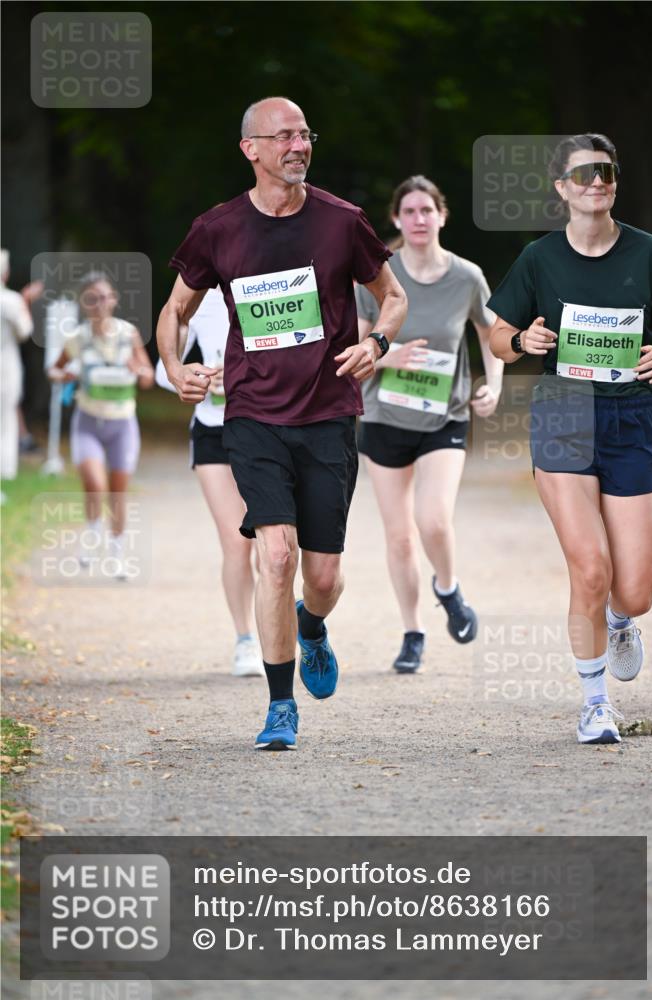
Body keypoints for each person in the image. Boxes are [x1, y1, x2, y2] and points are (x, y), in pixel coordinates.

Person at [157, 96, 407, 751]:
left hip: (327, 416)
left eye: (305, 134)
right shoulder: (216, 229)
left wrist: (377, 344)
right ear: (252, 149)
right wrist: (172, 364)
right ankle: (278, 705)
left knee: (321, 578)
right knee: (275, 555)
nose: (299, 146)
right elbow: (175, 311)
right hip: (252, 416)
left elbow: (393, 296)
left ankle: (313, 625)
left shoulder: (341, 221)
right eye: (284, 136)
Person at [488, 133, 652, 746]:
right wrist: (521, 345)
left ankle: (620, 622)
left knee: (637, 589)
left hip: (634, 417)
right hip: (563, 415)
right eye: (584, 173)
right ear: (562, 188)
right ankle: (595, 704)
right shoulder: (539, 258)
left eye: (607, 170)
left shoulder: (649, 253)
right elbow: (498, 333)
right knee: (590, 568)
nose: (597, 180)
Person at [356, 176, 503, 673]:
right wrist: (388, 356)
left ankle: (448, 587)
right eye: (410, 212)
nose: (419, 219)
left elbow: (492, 334)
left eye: (428, 210)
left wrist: (495, 384)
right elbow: (354, 353)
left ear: (442, 216)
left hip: (445, 416)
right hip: (384, 417)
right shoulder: (376, 276)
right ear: (396, 219)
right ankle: (412, 632)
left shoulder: (467, 277)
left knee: (433, 519)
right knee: (398, 537)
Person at [155, 286, 263, 677]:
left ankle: (281, 631)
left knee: (275, 544)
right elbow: (165, 372)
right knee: (237, 541)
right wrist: (196, 376)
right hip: (214, 431)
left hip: (268, 430)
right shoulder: (198, 299)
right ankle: (246, 640)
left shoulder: (270, 281)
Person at [48, 272, 154, 578]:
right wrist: (65, 375)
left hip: (122, 423)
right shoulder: (77, 338)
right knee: (95, 484)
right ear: (84, 303)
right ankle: (93, 532)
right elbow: (53, 371)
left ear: (114, 299)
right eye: (92, 298)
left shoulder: (128, 333)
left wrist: (138, 369)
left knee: (118, 493)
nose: (99, 304)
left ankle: (117, 553)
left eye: (105, 297)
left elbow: (147, 378)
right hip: (88, 422)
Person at [1, 249, 35, 487]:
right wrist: (25, 301)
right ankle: (5, 472)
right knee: (6, 421)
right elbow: (25, 331)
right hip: (5, 366)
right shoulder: (10, 300)